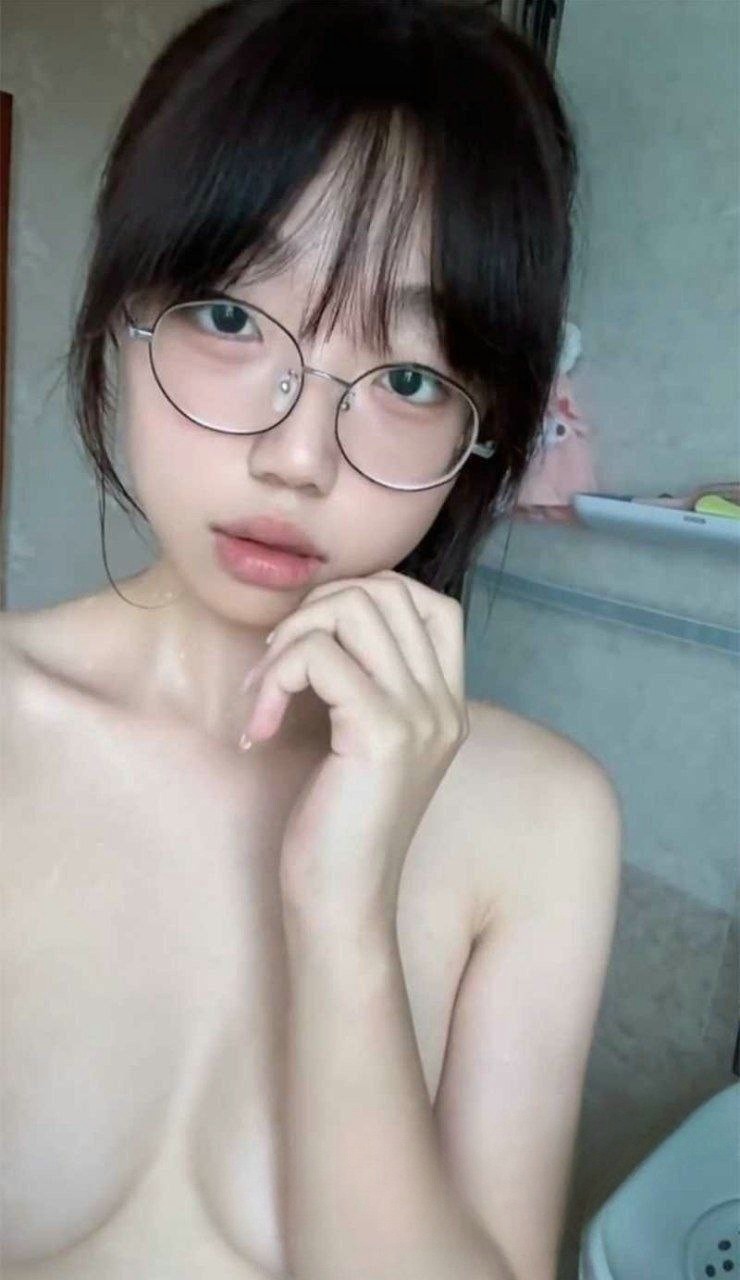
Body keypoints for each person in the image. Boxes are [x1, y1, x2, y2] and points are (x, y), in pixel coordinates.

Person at [0, 3, 623, 1278]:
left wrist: (343, 918)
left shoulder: (541, 821)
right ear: (121, 313)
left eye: (407, 379)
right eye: (232, 318)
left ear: (485, 430)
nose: (297, 455)